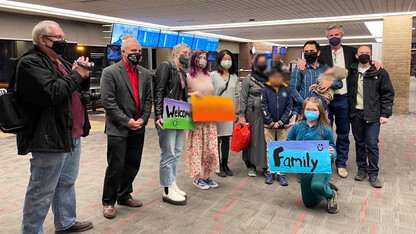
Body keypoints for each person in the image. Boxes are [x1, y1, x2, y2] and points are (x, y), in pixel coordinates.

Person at [16, 20, 93, 233]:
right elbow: (51, 93)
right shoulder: (31, 63)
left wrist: (83, 74)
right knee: (41, 191)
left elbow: (75, 87)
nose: (63, 41)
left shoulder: (61, 61)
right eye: (58, 38)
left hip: (71, 135)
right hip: (50, 138)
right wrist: (77, 74)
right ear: (42, 40)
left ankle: (65, 222)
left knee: (66, 182)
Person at [297, 25, 382, 178]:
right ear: (327, 37)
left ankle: (341, 163)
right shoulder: (321, 52)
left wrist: (374, 61)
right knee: (323, 131)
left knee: (343, 132)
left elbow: (362, 61)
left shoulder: (350, 51)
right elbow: (310, 60)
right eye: (330, 35)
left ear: (342, 36)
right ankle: (324, 161)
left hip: (344, 98)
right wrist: (301, 61)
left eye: (336, 34)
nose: (333, 37)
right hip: (324, 98)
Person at [100, 38, 152, 218]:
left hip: (138, 126)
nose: (137, 54)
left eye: (139, 51)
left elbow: (148, 100)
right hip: (119, 127)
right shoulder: (110, 72)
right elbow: (108, 102)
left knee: (133, 164)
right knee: (116, 166)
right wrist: (127, 121)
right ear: (123, 52)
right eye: (133, 50)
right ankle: (108, 202)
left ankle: (124, 195)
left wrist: (143, 120)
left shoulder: (145, 73)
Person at [348, 46, 394, 188]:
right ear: (356, 55)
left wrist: (385, 113)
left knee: (372, 144)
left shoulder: (379, 72)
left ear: (371, 55)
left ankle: (373, 174)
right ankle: (362, 170)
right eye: (362, 53)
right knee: (360, 143)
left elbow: (387, 93)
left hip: (373, 114)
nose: (364, 55)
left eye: (367, 53)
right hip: (356, 113)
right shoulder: (351, 71)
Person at [287, 97, 338, 214]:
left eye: (314, 110)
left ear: (320, 111)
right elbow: (289, 142)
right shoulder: (298, 126)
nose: (311, 112)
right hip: (305, 166)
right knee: (309, 203)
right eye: (308, 109)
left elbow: (333, 149)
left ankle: (330, 194)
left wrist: (331, 152)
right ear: (303, 110)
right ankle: (324, 186)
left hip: (321, 166)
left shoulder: (325, 129)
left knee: (316, 186)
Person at [154, 43, 191, 205]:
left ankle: (173, 182)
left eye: (189, 53)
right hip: (167, 113)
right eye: (185, 52)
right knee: (168, 153)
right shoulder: (166, 66)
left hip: (180, 111)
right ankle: (167, 189)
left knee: (176, 151)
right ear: (176, 53)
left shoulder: (182, 72)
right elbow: (159, 90)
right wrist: (158, 115)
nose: (187, 55)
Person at [185, 49, 220, 189]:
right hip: (195, 117)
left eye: (205, 58)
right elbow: (182, 94)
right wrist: (193, 93)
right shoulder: (188, 76)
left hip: (209, 115)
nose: (203, 60)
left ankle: (207, 176)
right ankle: (197, 177)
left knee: (210, 148)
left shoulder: (208, 75)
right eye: (200, 57)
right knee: (196, 148)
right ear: (194, 59)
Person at [290, 41, 343, 122]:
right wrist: (305, 103)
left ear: (318, 53)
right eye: (306, 52)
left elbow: (339, 83)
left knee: (322, 133)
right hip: (304, 113)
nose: (309, 53)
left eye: (311, 51)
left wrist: (331, 83)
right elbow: (293, 89)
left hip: (322, 112)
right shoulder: (299, 69)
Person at [261, 61, 293, 185]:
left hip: (282, 126)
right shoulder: (265, 90)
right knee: (270, 148)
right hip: (268, 125)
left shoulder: (287, 89)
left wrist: (281, 122)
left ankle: (281, 173)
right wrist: (270, 121)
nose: (276, 78)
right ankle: (271, 171)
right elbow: (263, 107)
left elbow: (289, 107)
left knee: (282, 148)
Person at [211, 49, 239, 177]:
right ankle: (216, 165)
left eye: (229, 59)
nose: (227, 61)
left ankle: (225, 163)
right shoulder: (212, 75)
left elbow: (236, 95)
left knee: (226, 138)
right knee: (216, 139)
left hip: (229, 112)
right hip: (216, 111)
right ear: (219, 60)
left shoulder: (234, 77)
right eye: (224, 59)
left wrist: (236, 112)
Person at [239, 54, 268, 177]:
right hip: (252, 114)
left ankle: (265, 165)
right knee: (252, 140)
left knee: (265, 140)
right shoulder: (248, 79)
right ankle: (251, 164)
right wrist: (241, 115)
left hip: (267, 114)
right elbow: (243, 98)